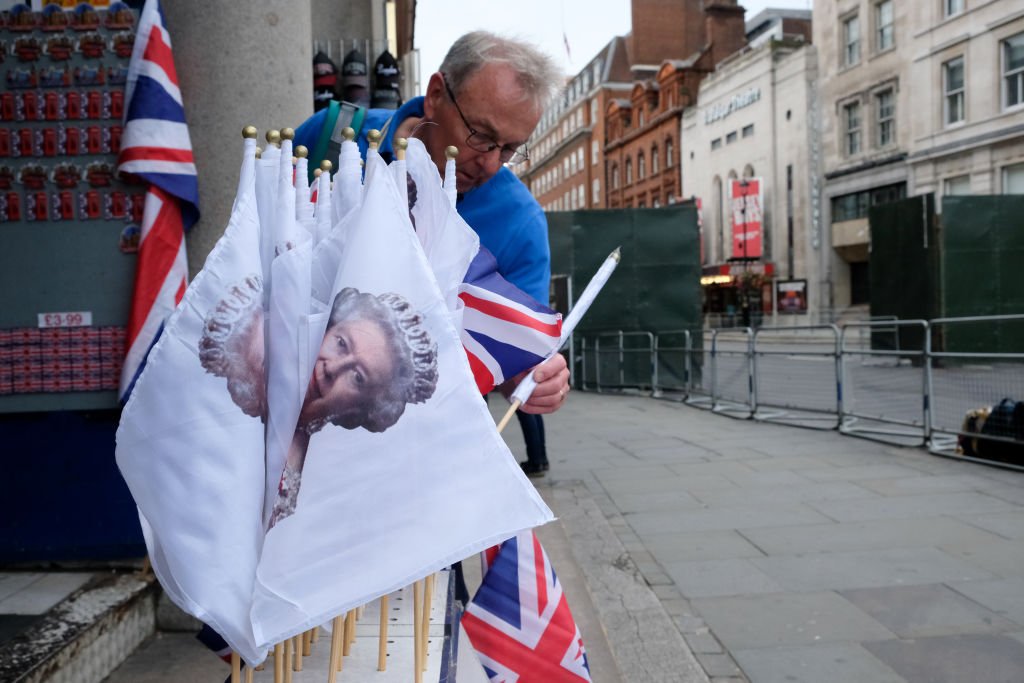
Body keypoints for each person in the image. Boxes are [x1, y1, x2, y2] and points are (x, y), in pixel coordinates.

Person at [294, 31, 568, 475]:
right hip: (281, 428)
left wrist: (537, 378)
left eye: (511, 149)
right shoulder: (331, 138)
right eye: (481, 136)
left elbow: (517, 356)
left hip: (414, 466)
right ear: (436, 94)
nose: (492, 164)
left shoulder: (520, 222)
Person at [199, 280, 439, 527]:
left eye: (357, 377)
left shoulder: (347, 475)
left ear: (363, 408)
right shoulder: (224, 421)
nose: (332, 368)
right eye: (341, 343)